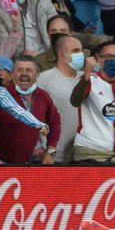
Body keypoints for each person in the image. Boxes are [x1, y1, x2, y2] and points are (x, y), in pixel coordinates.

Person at [0, 55, 61, 164]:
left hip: (27, 164)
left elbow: (55, 121)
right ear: (12, 75)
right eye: (19, 70)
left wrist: (51, 151)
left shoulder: (44, 97)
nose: (24, 74)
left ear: (37, 75)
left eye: (29, 70)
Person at [36, 35, 85, 163]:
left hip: (83, 154)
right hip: (53, 154)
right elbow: (32, 115)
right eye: (75, 51)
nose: (80, 54)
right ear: (62, 55)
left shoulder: (88, 79)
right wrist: (38, 147)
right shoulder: (44, 79)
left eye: (81, 50)